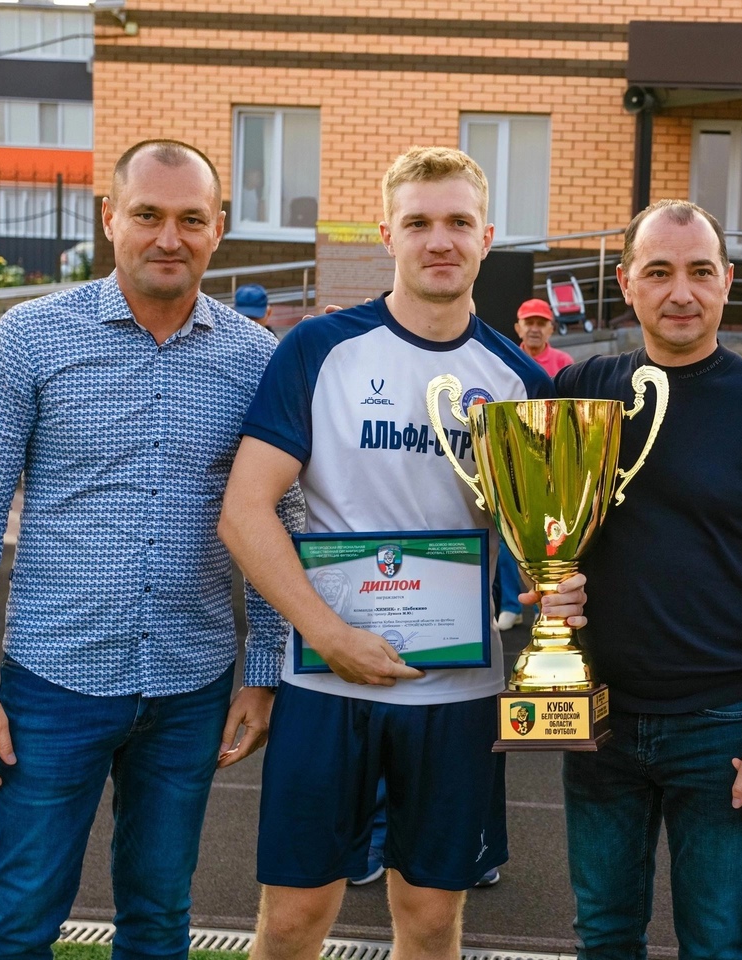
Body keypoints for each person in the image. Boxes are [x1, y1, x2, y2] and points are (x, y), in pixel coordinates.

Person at [216, 146, 586, 960]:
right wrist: (331, 634)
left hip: (458, 690)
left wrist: (550, 588)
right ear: (389, 233)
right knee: (293, 918)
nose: (439, 240)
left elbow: (535, 546)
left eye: (458, 222)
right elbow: (243, 512)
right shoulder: (318, 351)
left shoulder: (520, 381)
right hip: (326, 679)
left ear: (487, 237)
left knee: (428, 918)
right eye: (419, 222)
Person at [0, 139, 299, 960]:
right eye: (147, 215)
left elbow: (286, 517)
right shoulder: (29, 338)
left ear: (219, 231)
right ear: (111, 219)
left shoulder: (258, 360)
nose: (167, 237)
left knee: (159, 920)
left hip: (191, 686)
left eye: (189, 219)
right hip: (52, 684)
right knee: (17, 920)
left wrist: (263, 669)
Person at [554, 199, 742, 958]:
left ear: (728, 281)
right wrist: (544, 583)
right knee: (604, 933)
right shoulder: (581, 389)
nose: (682, 292)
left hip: (722, 728)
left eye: (701, 272)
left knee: (716, 939)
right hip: (599, 718)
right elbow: (534, 526)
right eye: (660, 272)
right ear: (626, 283)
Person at [490, 297, 577, 633]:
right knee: (509, 533)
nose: (535, 328)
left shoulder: (564, 362)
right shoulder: (503, 361)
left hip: (551, 462)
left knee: (551, 536)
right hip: (512, 459)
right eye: (529, 322)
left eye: (541, 322)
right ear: (518, 327)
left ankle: (549, 603)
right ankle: (512, 604)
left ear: (551, 328)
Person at [514, 297, 573, 375]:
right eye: (529, 323)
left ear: (550, 330)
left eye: (541, 324)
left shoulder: (564, 362)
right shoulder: (510, 360)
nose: (534, 330)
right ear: (518, 329)